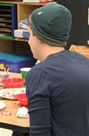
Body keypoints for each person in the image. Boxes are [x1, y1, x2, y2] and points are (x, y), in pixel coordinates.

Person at [25, 3, 89, 136]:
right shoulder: (84, 62)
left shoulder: (39, 74)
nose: (28, 41)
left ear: (40, 38)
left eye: (30, 34)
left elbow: (39, 133)